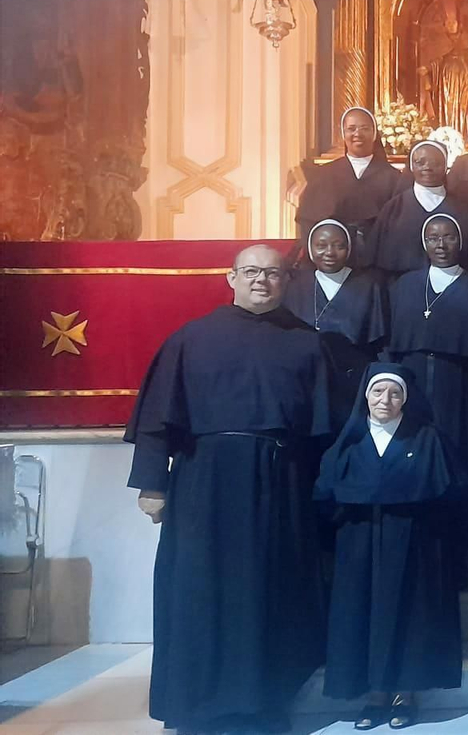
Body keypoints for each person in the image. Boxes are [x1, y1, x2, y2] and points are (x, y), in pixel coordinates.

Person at [124, 244, 332, 735]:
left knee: (270, 588)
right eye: (252, 272)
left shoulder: (306, 343)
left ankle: (265, 703)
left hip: (279, 483)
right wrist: (153, 483)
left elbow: (323, 429)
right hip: (204, 482)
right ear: (231, 277)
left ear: (286, 282)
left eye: (273, 274)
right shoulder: (191, 339)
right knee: (199, 589)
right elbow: (158, 418)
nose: (262, 280)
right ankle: (199, 706)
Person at [317, 365, 464, 731]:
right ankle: (374, 695)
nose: (386, 400)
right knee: (362, 614)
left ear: (406, 399)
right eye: (378, 392)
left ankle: (405, 693)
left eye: (395, 393)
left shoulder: (428, 438)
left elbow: (447, 490)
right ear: (365, 396)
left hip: (413, 543)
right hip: (360, 544)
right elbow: (326, 493)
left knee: (411, 616)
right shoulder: (349, 442)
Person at [384, 214, 468, 479]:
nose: (441, 245)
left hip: (458, 381)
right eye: (433, 238)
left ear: (460, 241)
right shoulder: (405, 285)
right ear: (423, 243)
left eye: (449, 237)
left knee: (456, 452)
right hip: (414, 379)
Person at [282, 219, 388, 432]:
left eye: (338, 245)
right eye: (321, 245)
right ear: (310, 249)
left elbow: (379, 343)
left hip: (351, 383)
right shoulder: (294, 286)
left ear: (349, 249)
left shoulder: (368, 285)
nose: (329, 252)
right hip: (306, 382)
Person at [297, 107, 404, 258]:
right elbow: (309, 220)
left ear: (374, 134)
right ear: (343, 134)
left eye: (364, 128)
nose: (357, 134)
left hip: (378, 259)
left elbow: (399, 225)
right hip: (332, 259)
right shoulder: (323, 175)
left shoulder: (393, 178)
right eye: (351, 129)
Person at [366, 138, 468, 277]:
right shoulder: (394, 208)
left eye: (435, 163)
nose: (427, 167)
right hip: (401, 288)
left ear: (445, 166)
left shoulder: (461, 209)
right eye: (420, 162)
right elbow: (376, 256)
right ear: (411, 166)